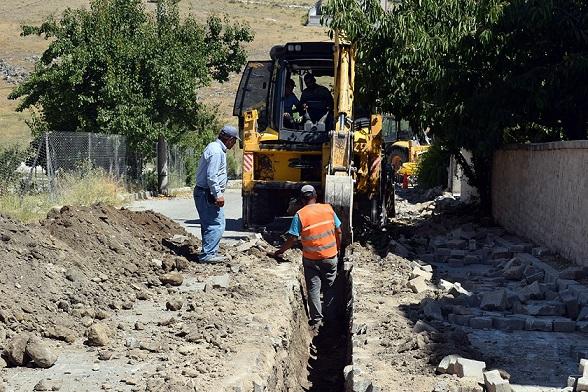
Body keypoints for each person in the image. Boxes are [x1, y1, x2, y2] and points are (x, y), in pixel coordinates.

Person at [274, 185, 342, 330]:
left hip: (311, 259)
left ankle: (317, 320)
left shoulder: (300, 215)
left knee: (313, 289)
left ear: (301, 199)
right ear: (316, 196)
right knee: (330, 287)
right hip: (330, 256)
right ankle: (331, 321)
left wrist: (280, 251)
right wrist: (338, 248)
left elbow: (292, 238)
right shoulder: (328, 209)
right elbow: (339, 230)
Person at [193, 125, 240, 263]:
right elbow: (211, 176)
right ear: (229, 139)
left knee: (208, 224)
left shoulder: (213, 147)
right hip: (207, 193)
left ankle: (208, 252)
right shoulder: (217, 152)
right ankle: (208, 255)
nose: (235, 144)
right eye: (234, 140)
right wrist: (217, 194)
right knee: (217, 224)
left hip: (203, 192)